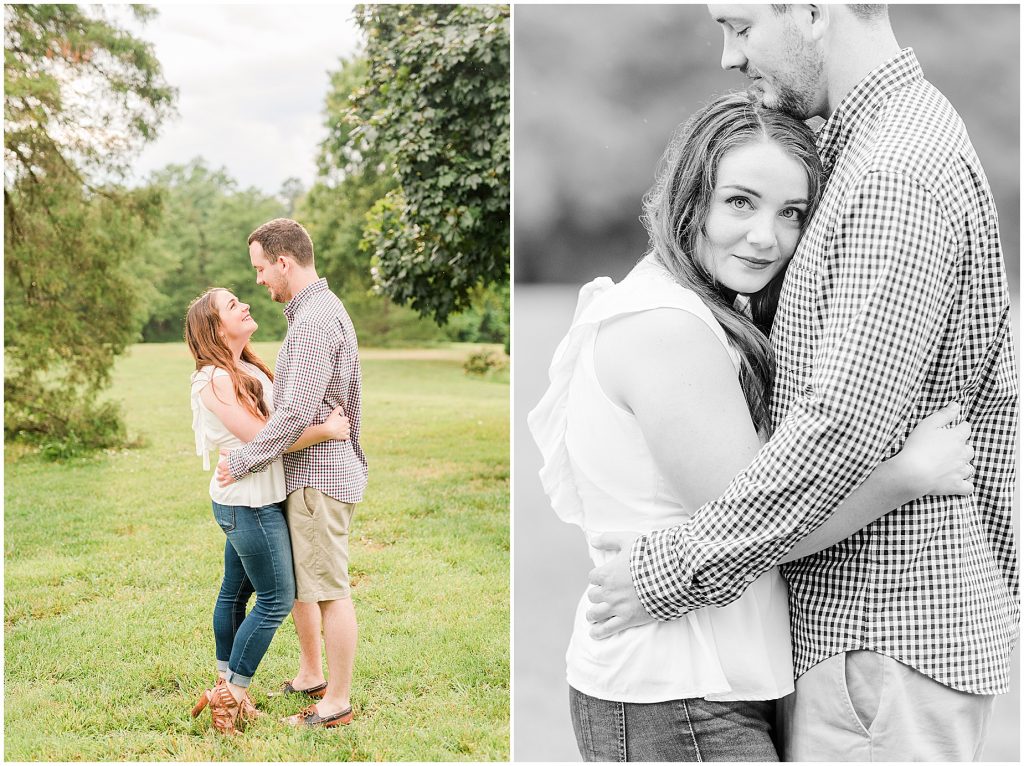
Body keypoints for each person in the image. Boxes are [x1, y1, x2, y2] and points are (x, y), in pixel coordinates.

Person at [585, 5, 1018, 761]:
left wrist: (665, 572)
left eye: (741, 24)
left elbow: (842, 424)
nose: (728, 55)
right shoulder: (868, 150)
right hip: (865, 645)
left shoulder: (894, 174)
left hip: (880, 637)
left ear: (814, 10)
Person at [216, 218, 368, 729]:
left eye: (261, 268)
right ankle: (311, 675)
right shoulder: (317, 311)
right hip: (308, 475)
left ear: (283, 262)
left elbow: (292, 416)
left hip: (318, 479)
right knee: (308, 585)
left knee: (328, 590)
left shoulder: (312, 322)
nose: (258, 280)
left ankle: (336, 704)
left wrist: (239, 462)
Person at [185, 287, 351, 734]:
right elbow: (264, 438)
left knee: (234, 594)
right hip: (248, 506)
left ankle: (225, 684)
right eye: (232, 305)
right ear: (215, 327)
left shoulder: (244, 367)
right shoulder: (214, 379)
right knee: (276, 599)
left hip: (257, 500)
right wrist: (327, 430)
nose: (245, 305)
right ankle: (232, 694)